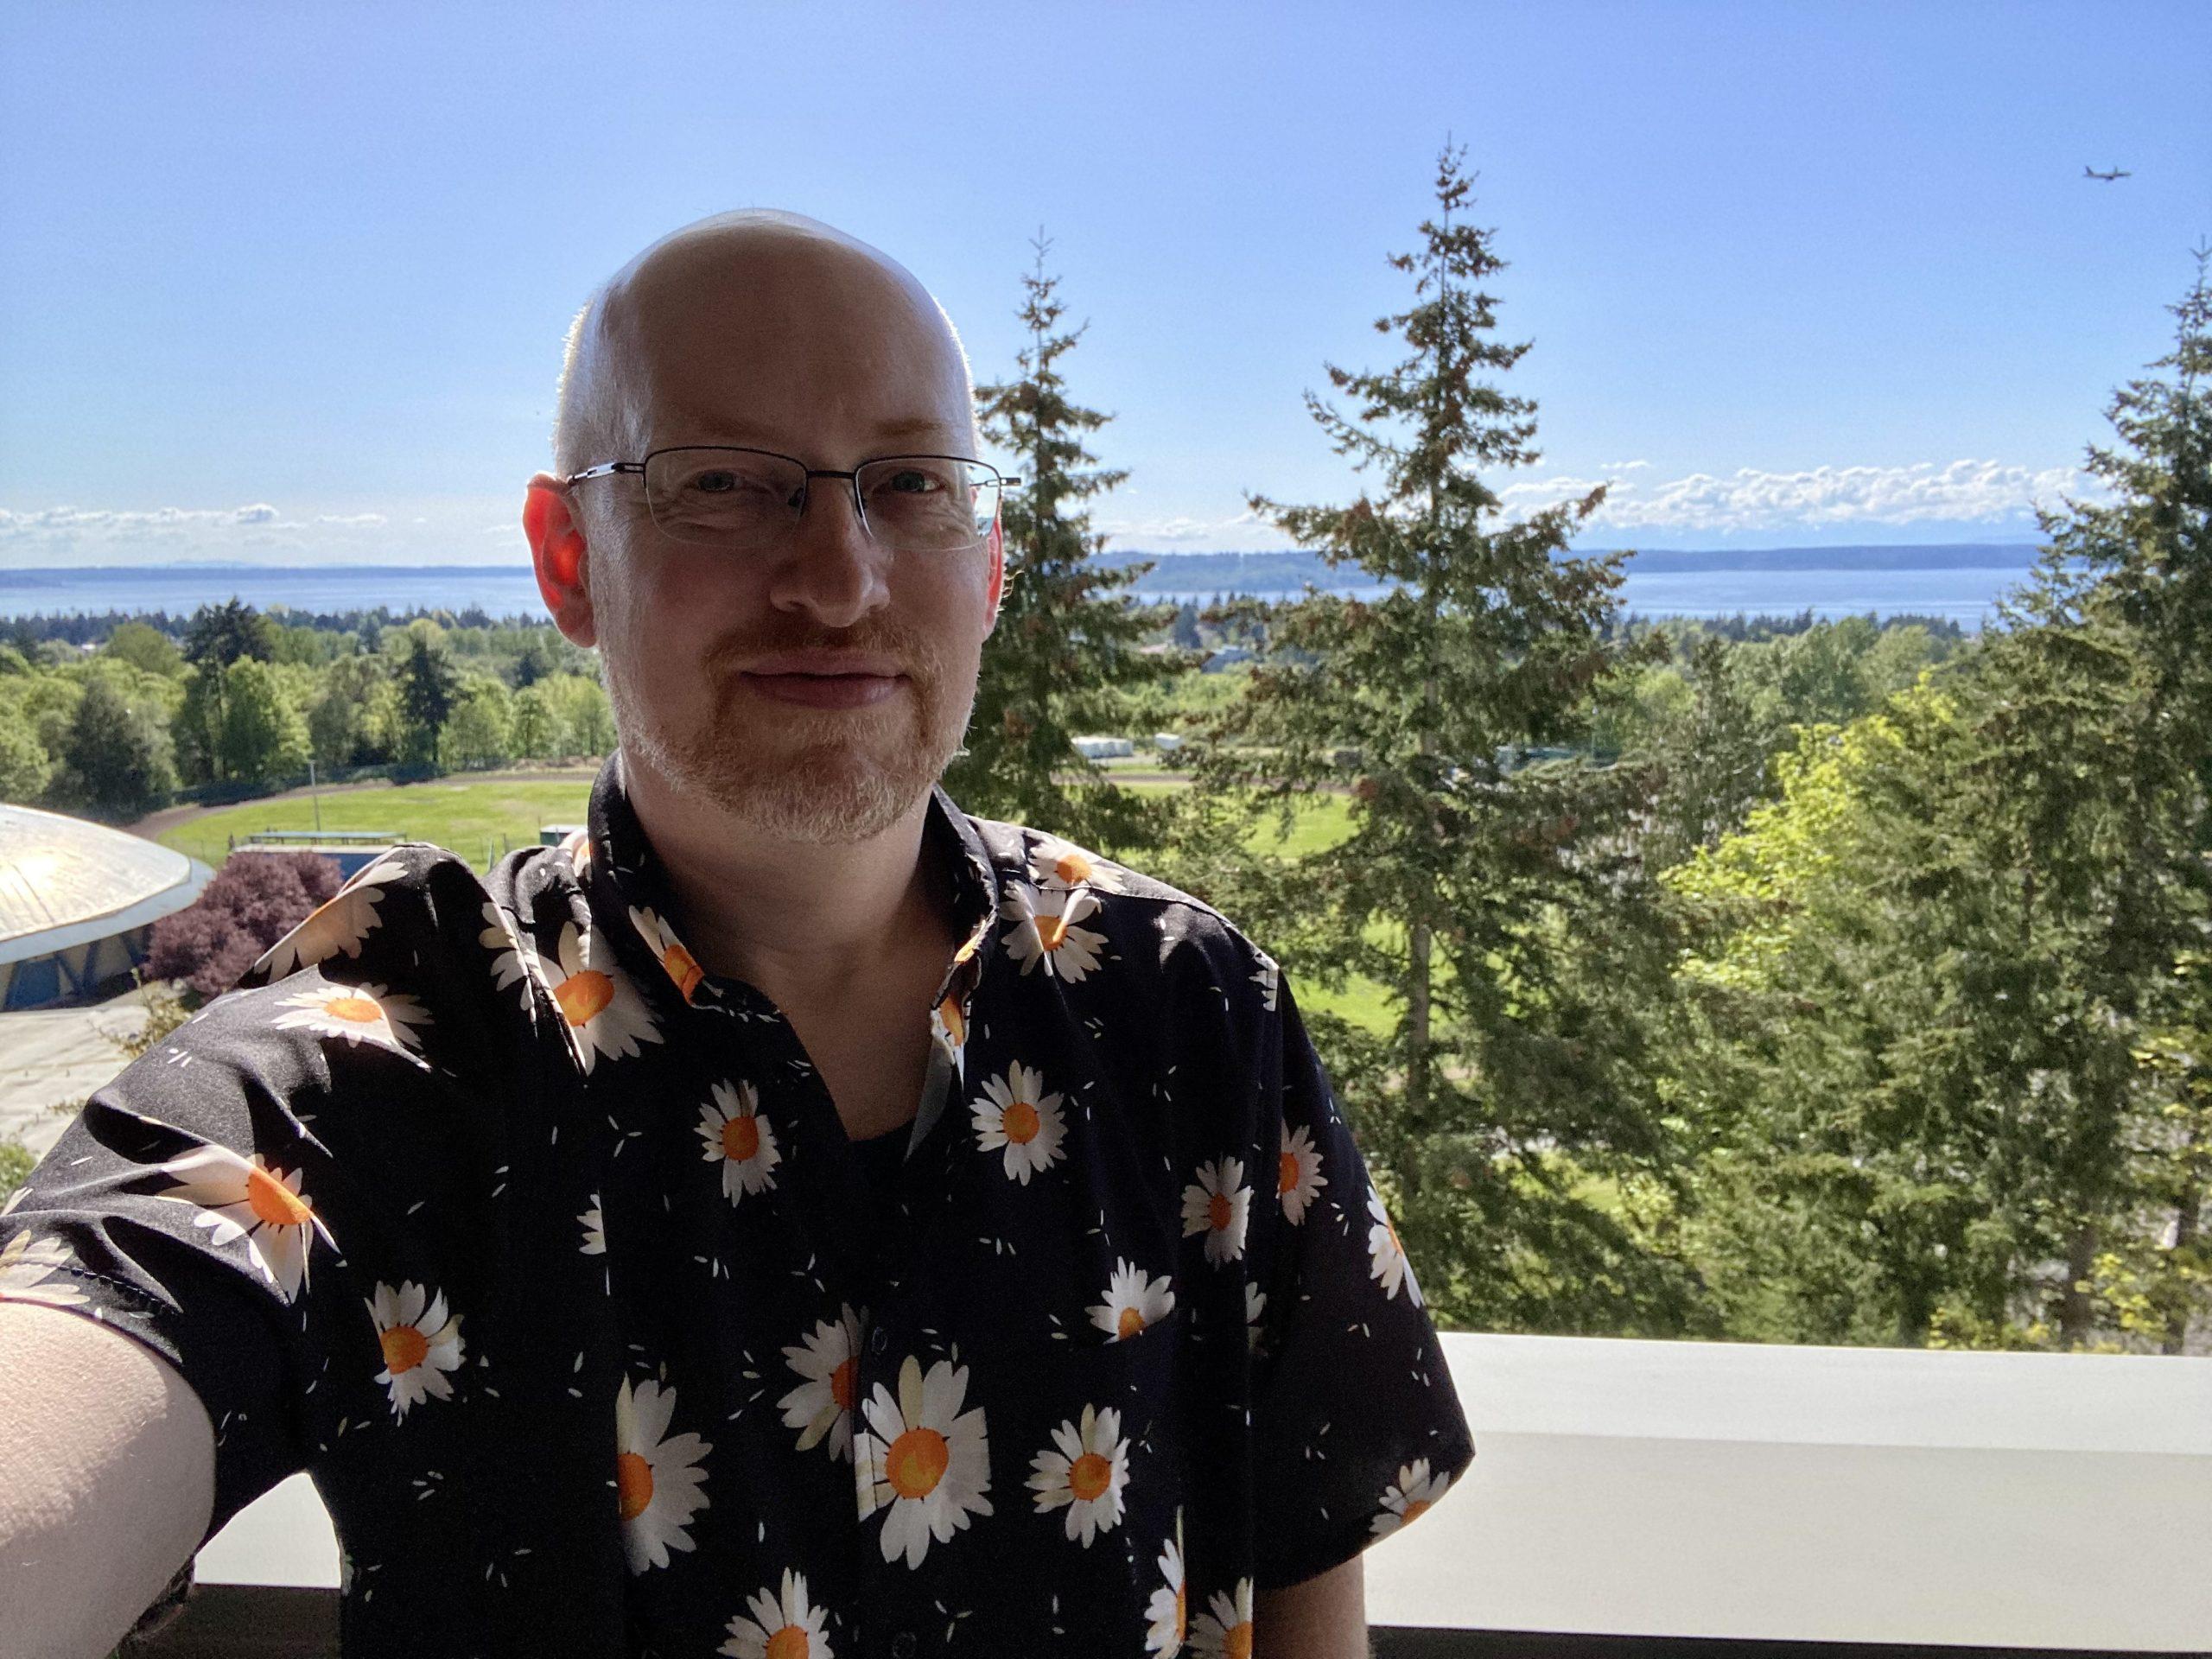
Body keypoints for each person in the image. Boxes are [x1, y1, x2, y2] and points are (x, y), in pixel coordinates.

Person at [0, 211, 1474, 1657]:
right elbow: (110, 1308)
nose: (838, 579)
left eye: (909, 483)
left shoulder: (1188, 1010)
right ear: (569, 561)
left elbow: (1300, 1577)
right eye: (721, 481)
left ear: (990, 564)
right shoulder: (393, 1060)